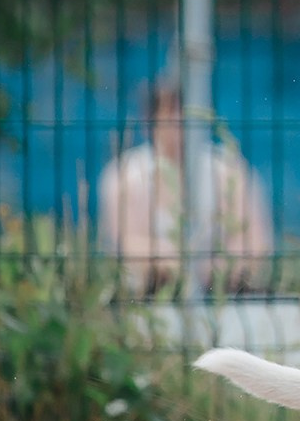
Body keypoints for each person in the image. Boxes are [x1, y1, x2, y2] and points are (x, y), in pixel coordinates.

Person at [94, 79, 275, 295]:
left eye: (185, 113)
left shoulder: (229, 170)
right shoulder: (124, 176)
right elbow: (122, 244)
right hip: (149, 294)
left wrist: (209, 268)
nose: (179, 123)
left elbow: (256, 242)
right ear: (149, 122)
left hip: (223, 290)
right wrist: (178, 263)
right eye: (170, 113)